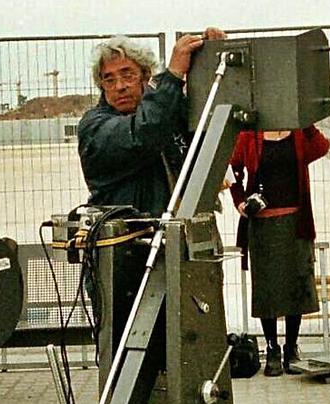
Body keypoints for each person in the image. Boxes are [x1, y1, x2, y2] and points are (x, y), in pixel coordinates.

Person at [77, 30, 222, 365]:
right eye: (109, 79)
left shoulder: (164, 113)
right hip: (123, 263)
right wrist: (172, 77)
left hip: (178, 253)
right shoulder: (95, 127)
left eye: (128, 75)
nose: (120, 86)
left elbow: (208, 119)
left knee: (189, 355)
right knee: (128, 361)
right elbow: (143, 136)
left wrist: (211, 55)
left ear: (144, 77)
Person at [227, 125, 330, 376]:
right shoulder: (249, 136)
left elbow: (321, 146)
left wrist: (304, 120)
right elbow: (231, 168)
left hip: (296, 221)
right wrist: (240, 200)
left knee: (297, 283)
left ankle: (291, 347)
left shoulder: (297, 134)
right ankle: (272, 348)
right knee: (267, 288)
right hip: (262, 224)